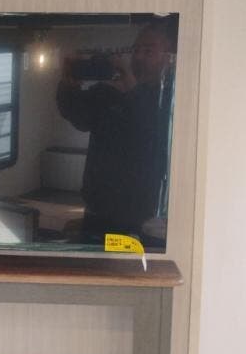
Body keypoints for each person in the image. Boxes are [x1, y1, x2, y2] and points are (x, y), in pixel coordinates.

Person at [55, 21, 175, 245]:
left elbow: (151, 128)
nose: (138, 56)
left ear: (168, 58)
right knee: (93, 261)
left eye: (148, 51)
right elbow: (78, 117)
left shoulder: (169, 97)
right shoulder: (108, 91)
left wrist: (130, 82)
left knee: (129, 263)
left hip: (142, 216)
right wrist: (68, 84)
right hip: (98, 208)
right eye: (136, 50)